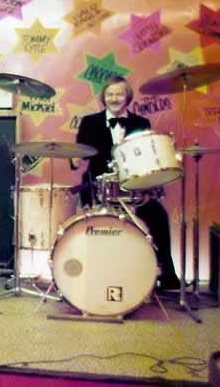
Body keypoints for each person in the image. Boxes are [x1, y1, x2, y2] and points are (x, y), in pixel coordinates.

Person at [73, 76, 180, 291]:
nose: (114, 98)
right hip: (98, 189)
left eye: (119, 94)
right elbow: (79, 155)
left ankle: (167, 275)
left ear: (128, 97)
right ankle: (93, 277)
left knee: (159, 216)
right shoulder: (89, 122)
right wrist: (74, 160)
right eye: (110, 94)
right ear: (103, 97)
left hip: (134, 189)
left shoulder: (141, 123)